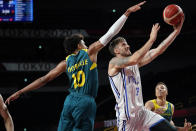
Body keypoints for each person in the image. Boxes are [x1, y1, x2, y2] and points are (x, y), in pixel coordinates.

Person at [5, 1, 146, 131]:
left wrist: (20, 92)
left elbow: (44, 79)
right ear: (79, 45)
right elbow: (111, 33)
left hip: (70, 101)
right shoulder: (90, 52)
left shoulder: (65, 63)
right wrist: (126, 13)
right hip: (85, 101)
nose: (85, 43)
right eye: (83, 42)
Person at [108, 13, 191, 130]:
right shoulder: (114, 63)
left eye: (127, 43)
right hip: (127, 119)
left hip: (143, 114)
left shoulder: (134, 64)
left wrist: (176, 32)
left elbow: (157, 51)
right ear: (116, 50)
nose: (128, 46)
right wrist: (151, 40)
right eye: (123, 45)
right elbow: (135, 57)